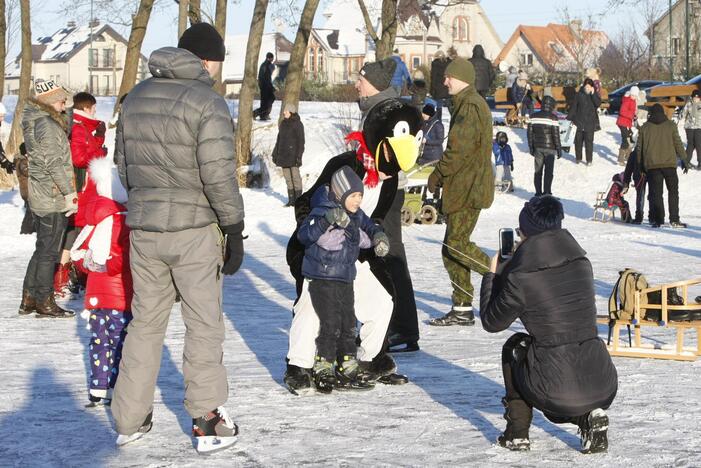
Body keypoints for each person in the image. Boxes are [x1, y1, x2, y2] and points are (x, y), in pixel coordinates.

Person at [112, 23, 245, 453]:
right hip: (193, 232)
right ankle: (207, 421)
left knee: (146, 322)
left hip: (145, 232)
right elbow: (219, 175)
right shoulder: (207, 102)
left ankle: (129, 419)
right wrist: (233, 226)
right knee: (203, 323)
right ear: (206, 61)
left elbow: (124, 167)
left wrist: (147, 203)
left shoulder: (135, 98)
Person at [284, 97, 422, 393]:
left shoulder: (388, 181)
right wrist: (316, 235)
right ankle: (299, 366)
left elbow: (373, 220)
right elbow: (309, 203)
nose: (392, 172)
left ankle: (368, 359)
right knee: (313, 305)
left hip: (351, 254)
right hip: (317, 250)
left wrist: (376, 242)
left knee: (382, 302)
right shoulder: (346, 166)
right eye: (391, 163)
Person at [480, 195, 618, 454]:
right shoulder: (582, 263)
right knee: (559, 375)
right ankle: (587, 417)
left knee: (515, 346)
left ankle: (517, 433)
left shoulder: (520, 277)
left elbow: (491, 322)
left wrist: (493, 274)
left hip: (556, 388)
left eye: (521, 233)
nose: (519, 238)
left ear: (528, 234)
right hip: (603, 381)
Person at [298, 167, 390, 393]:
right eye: (353, 196)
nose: (358, 200)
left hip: (346, 277)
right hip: (323, 277)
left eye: (360, 196)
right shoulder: (324, 209)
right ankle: (324, 365)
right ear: (340, 194)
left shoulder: (356, 213)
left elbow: (368, 226)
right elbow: (305, 235)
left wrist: (378, 236)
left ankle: (347, 362)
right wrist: (326, 221)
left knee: (348, 323)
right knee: (330, 325)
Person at [355, 59, 421, 353]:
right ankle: (391, 327)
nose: (357, 83)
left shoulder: (386, 111)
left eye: (361, 79)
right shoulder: (375, 108)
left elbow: (395, 158)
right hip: (377, 191)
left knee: (389, 256)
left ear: (376, 84)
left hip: (387, 192)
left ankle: (400, 328)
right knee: (382, 256)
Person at [427, 58, 494, 326]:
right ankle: (463, 308)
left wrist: (438, 173)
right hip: (463, 185)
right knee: (450, 248)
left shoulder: (471, 106)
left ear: (462, 78)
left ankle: (500, 273)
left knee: (456, 244)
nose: (444, 82)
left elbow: (458, 150)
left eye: (448, 77)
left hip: (469, 187)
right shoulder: (464, 103)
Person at [70, 156, 132, 408]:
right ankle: (116, 386)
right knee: (119, 342)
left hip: (95, 295)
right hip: (120, 295)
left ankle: (98, 386)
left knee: (99, 341)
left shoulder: (96, 223)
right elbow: (126, 258)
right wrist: (109, 266)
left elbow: (80, 255)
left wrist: (90, 265)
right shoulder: (126, 222)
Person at [19, 79, 76, 318]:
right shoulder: (48, 125)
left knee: (42, 248)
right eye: (62, 102)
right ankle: (44, 300)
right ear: (51, 102)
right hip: (52, 195)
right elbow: (55, 163)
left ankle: (29, 298)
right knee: (49, 252)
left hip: (42, 192)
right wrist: (69, 192)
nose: (64, 107)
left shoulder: (36, 120)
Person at [53, 92, 107, 302]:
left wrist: (99, 139)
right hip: (82, 190)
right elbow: (78, 157)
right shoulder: (79, 127)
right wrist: (100, 153)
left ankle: (75, 277)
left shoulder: (86, 128)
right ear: (86, 108)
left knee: (82, 233)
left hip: (88, 189)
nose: (95, 111)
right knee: (74, 233)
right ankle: (62, 280)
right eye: (93, 108)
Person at [636, 103, 690, 228]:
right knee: (673, 192)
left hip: (653, 166)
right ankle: (674, 219)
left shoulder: (645, 128)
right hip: (669, 164)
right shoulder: (670, 125)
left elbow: (639, 148)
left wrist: (640, 165)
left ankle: (658, 220)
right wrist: (684, 159)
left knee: (656, 194)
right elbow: (678, 143)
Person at [527, 95, 561, 196]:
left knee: (538, 171)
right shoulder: (553, 118)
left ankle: (538, 193)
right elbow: (556, 135)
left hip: (538, 148)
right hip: (550, 148)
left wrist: (531, 147)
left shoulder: (533, 116)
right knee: (548, 172)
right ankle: (547, 192)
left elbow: (529, 134)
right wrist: (559, 148)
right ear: (551, 106)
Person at [272, 103, 305, 207]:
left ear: (291, 111)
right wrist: (275, 154)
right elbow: (279, 140)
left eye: (285, 111)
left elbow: (301, 141)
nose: (284, 112)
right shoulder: (282, 123)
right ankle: (291, 200)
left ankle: (298, 201)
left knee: (295, 178)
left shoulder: (298, 124)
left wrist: (299, 157)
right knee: (287, 178)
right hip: (283, 155)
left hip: (293, 155)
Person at [568, 78, 601, 166]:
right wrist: (569, 118)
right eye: (586, 86)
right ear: (583, 86)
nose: (587, 88)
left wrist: (593, 94)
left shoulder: (594, 95)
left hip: (590, 123)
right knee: (578, 141)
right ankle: (578, 158)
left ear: (592, 87)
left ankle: (589, 160)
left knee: (589, 142)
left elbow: (598, 104)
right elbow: (574, 107)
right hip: (579, 121)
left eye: (589, 87)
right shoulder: (579, 94)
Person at [622, 147, 647, 224]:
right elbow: (628, 169)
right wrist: (626, 183)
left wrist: (626, 183)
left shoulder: (635, 153)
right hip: (639, 176)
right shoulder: (634, 153)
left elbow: (628, 169)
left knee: (642, 196)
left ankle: (641, 217)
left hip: (644, 176)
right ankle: (640, 216)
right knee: (641, 196)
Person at [616, 86, 638, 166]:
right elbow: (622, 111)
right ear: (630, 94)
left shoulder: (633, 100)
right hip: (622, 122)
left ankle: (628, 157)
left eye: (635, 95)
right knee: (625, 140)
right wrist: (632, 115)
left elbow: (632, 111)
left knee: (630, 138)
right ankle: (621, 159)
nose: (634, 97)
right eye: (633, 95)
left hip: (627, 122)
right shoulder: (627, 100)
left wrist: (634, 115)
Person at [681, 89, 701, 170]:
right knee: (690, 144)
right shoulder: (688, 104)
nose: (696, 99)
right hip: (689, 127)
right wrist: (681, 117)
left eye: (697, 98)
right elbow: (683, 113)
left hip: (699, 127)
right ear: (692, 97)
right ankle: (686, 162)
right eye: (694, 97)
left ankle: (700, 162)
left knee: (698, 144)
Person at [253, 52, 276, 121]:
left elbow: (265, 78)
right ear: (270, 58)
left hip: (264, 87)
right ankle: (256, 113)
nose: (273, 59)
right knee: (268, 101)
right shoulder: (267, 66)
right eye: (272, 58)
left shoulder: (265, 65)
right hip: (265, 87)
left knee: (265, 102)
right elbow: (266, 78)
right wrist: (271, 87)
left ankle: (263, 115)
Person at [430, 50, 451, 120]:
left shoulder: (435, 64)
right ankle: (454, 119)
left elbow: (433, 77)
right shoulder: (449, 63)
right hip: (447, 86)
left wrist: (432, 89)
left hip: (438, 87)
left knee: (439, 105)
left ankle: (439, 120)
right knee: (449, 105)